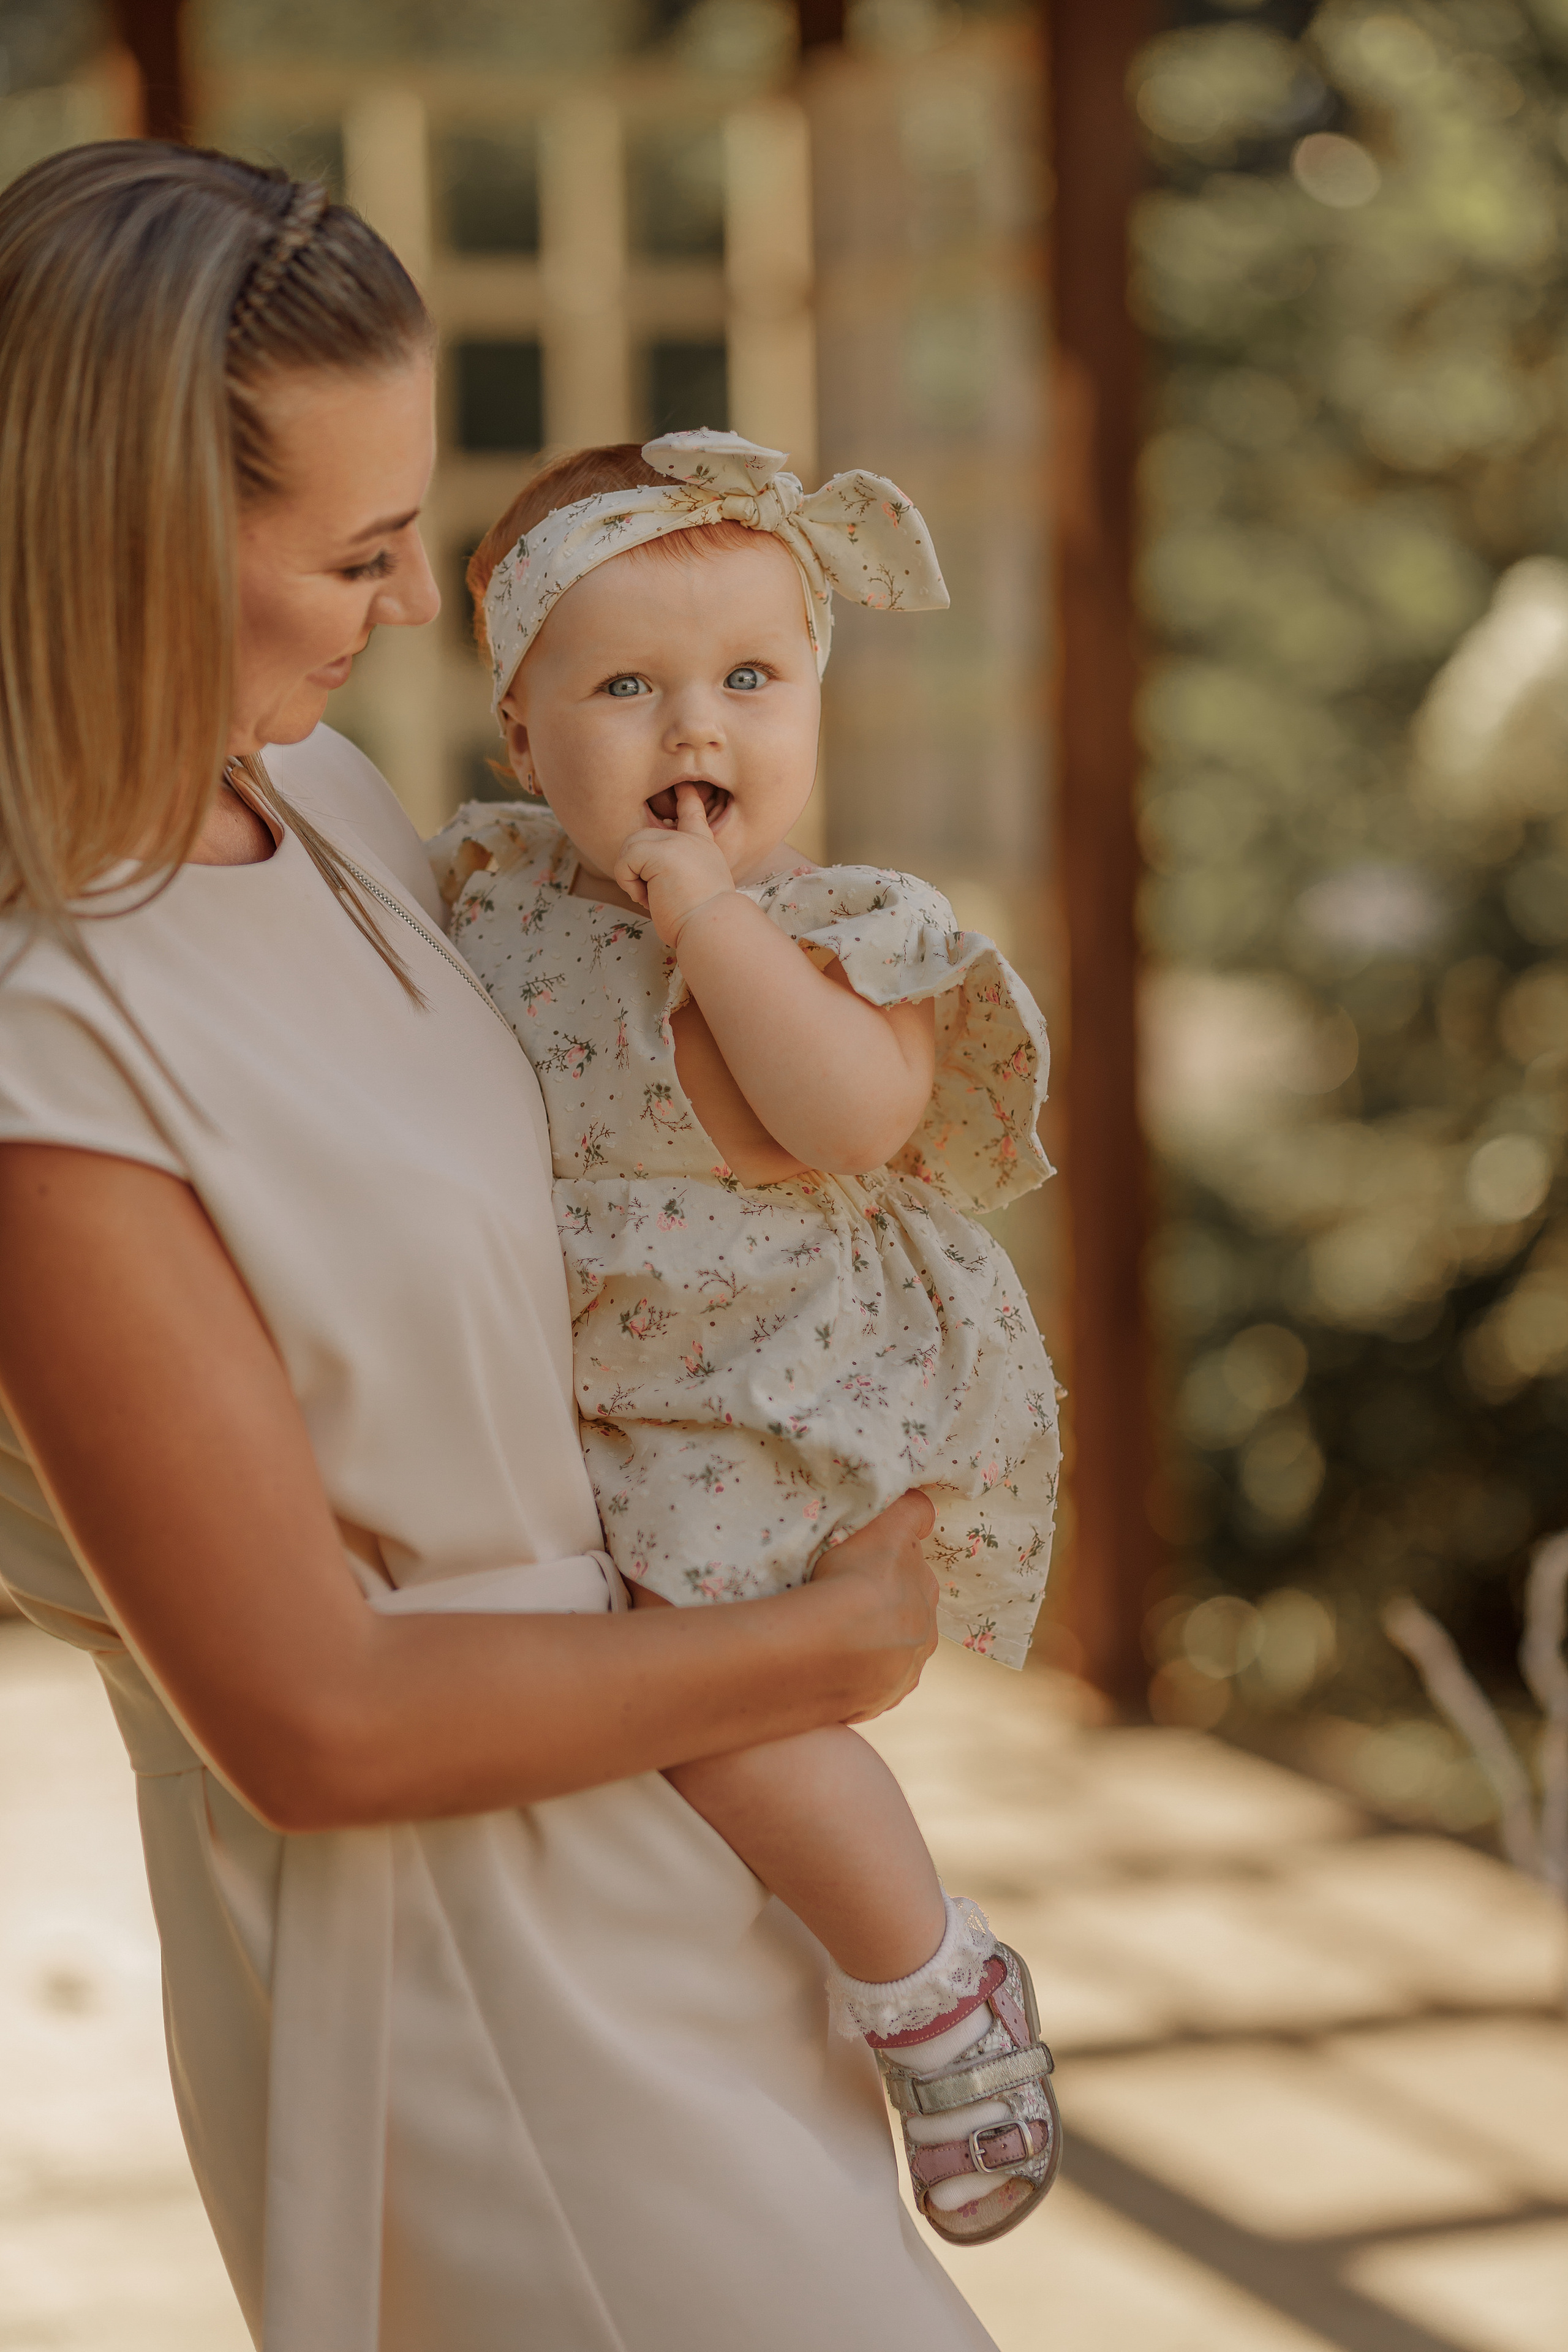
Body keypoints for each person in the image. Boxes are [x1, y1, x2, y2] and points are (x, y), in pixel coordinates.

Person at [0, 142, 1002, 2352]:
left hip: (677, 1867)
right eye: (358, 553)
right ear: (131, 547)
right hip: (451, 1966)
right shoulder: (46, 1048)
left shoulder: (337, 811)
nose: (412, 611)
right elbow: (315, 1718)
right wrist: (823, 1661)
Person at [432, 432, 1063, 2241]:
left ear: (814, 710)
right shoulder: (493, 900)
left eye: (749, 681)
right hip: (610, 1416)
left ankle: (935, 1984)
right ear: (520, 739)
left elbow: (856, 1115)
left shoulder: (834, 933)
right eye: (625, 685)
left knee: (724, 1708)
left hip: (788, 1406)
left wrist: (709, 922)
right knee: (638, 1736)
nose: (693, 729)